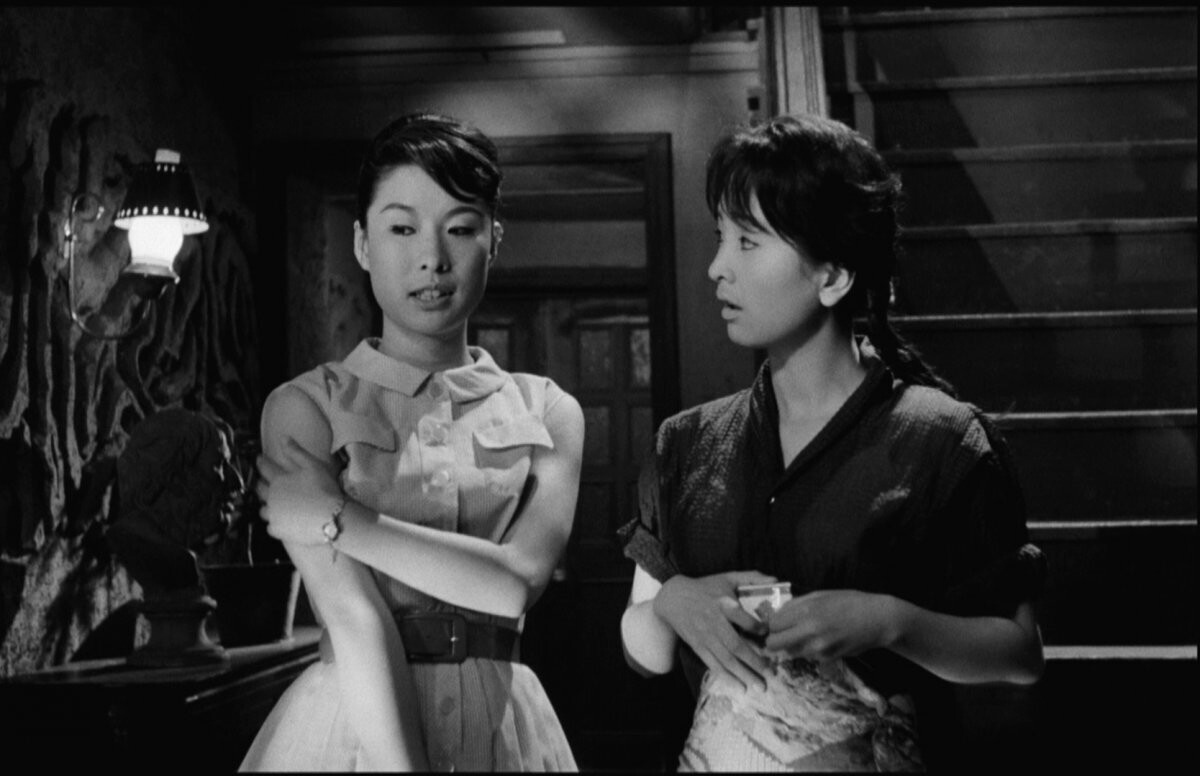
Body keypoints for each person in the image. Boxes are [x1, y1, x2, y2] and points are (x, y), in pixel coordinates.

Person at [617, 113, 1047, 772]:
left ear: (833, 276)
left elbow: (1018, 654)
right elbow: (640, 655)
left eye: (748, 242)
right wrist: (672, 604)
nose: (717, 268)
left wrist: (890, 621)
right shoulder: (686, 443)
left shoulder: (941, 440)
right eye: (720, 237)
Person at [239, 112, 583, 772]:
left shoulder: (549, 410)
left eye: (460, 228)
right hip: (355, 720)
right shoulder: (305, 407)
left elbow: (516, 584)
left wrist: (341, 519)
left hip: (501, 722)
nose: (433, 258)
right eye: (402, 229)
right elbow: (354, 617)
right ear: (363, 244)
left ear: (493, 240)